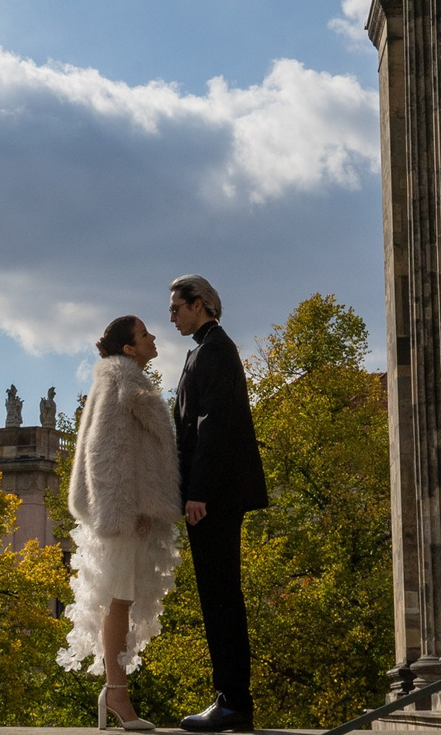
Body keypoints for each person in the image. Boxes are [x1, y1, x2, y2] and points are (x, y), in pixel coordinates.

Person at [59, 314, 179, 732]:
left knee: (121, 599)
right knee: (119, 599)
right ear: (129, 348)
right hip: (123, 513)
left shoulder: (124, 380)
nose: (152, 338)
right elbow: (104, 451)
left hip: (126, 511)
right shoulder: (121, 382)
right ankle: (116, 692)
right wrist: (132, 507)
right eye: (144, 334)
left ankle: (116, 689)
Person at [168, 274, 269, 734]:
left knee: (222, 597)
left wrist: (198, 493)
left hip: (214, 497)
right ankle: (229, 698)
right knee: (217, 597)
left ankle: (233, 702)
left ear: (201, 304)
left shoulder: (215, 351)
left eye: (177, 307)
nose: (171, 315)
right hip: (212, 494)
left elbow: (212, 427)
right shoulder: (204, 350)